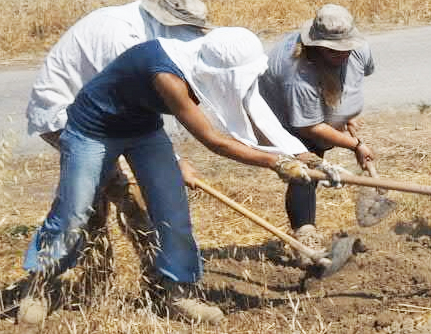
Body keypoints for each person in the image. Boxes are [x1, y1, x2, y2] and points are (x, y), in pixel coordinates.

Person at [17, 27, 341, 325]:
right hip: (93, 130)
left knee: (172, 210)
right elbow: (214, 141)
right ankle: (40, 284)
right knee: (74, 210)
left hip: (142, 129)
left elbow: (253, 108)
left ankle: (177, 294)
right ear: (221, 72)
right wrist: (275, 163)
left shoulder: (211, 54)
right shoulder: (168, 75)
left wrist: (300, 156)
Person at [24, 0, 209, 287]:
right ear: (165, 20)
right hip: (68, 114)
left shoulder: (153, 35)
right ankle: (57, 280)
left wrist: (171, 161)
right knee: (108, 195)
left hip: (120, 117)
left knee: (114, 195)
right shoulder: (122, 37)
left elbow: (152, 103)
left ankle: (143, 280)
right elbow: (123, 99)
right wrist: (176, 160)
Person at [259, 4, 376, 260]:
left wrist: (348, 116)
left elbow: (354, 81)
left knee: (315, 163)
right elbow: (309, 127)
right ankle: (305, 237)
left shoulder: (359, 49)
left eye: (347, 46)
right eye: (335, 51)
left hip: (317, 116)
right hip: (287, 122)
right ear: (318, 46)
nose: (343, 53)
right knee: (305, 172)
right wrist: (354, 145)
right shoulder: (298, 73)